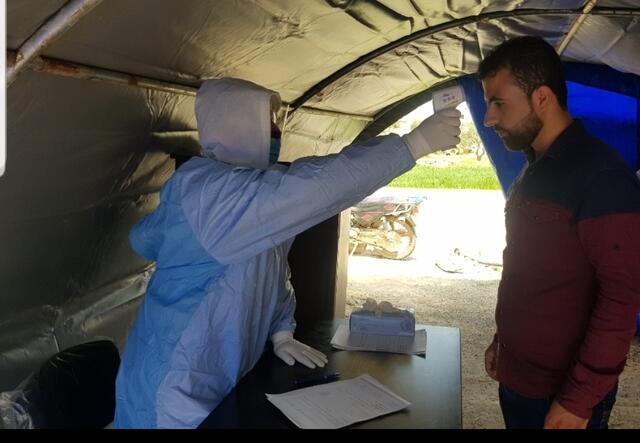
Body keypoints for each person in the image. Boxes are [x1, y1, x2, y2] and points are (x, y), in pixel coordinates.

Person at [113, 77, 462, 428]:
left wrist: (281, 330)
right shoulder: (207, 192)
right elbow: (313, 185)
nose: (277, 132)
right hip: (174, 385)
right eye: (268, 122)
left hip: (223, 377)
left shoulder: (251, 188)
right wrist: (411, 145)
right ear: (235, 124)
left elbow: (272, 273)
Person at [479, 36, 640, 429]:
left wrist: (579, 399)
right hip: (520, 380)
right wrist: (505, 347)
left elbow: (622, 296)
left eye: (499, 103)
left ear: (543, 99)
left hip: (561, 393)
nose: (488, 119)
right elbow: (530, 272)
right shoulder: (535, 168)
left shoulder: (600, 176)